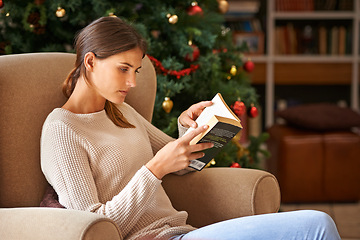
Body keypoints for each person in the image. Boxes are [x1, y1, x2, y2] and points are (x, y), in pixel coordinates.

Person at [40, 17, 341, 240]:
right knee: (316, 226)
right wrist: (155, 170)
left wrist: (190, 128)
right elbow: (94, 226)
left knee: (318, 224)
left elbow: (184, 166)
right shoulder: (62, 130)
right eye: (123, 69)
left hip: (183, 233)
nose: (132, 83)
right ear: (90, 62)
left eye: (136, 71)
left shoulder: (120, 111)